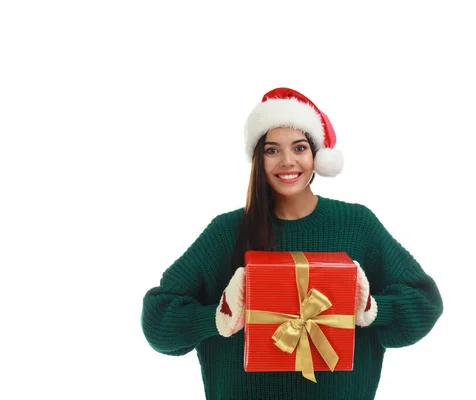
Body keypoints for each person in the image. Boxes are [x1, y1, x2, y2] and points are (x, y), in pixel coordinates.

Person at [141, 87, 443, 399]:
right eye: (272, 150)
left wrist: (372, 310)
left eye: (299, 148)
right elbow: (158, 320)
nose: (287, 161)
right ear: (259, 159)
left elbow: (425, 302)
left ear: (317, 156)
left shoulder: (357, 225)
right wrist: (217, 317)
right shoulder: (226, 232)